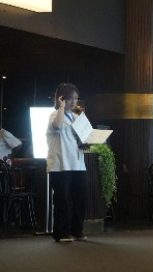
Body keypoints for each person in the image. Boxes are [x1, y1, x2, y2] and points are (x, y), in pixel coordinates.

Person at [47, 83, 88, 243]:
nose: (73, 102)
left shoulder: (77, 117)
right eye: (70, 99)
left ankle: (77, 231)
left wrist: (90, 141)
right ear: (61, 99)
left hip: (78, 164)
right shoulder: (55, 115)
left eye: (76, 98)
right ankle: (61, 233)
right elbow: (57, 126)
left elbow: (85, 138)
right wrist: (61, 107)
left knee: (80, 200)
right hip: (60, 165)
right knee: (62, 200)